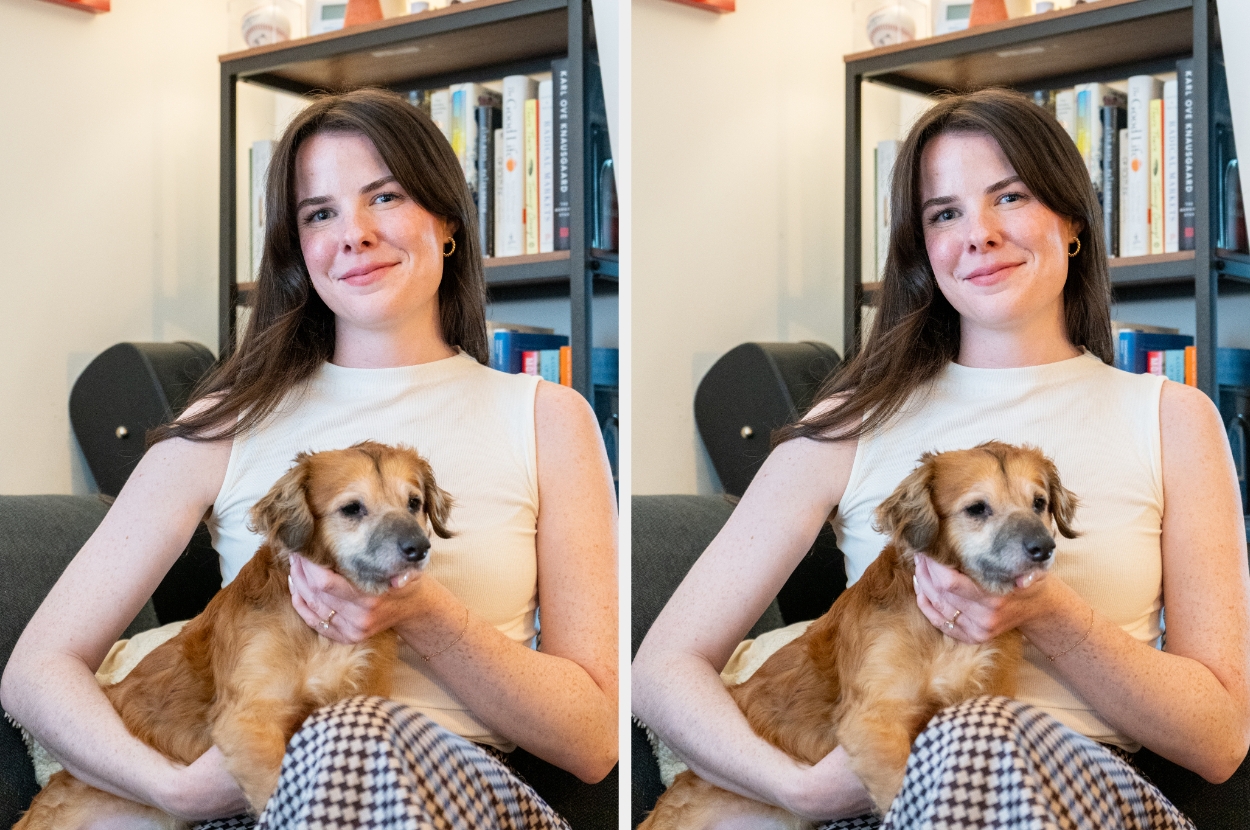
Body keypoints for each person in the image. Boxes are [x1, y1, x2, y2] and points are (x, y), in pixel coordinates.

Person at [632, 87, 1250, 828]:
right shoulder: (852, 422)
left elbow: (1220, 741)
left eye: (1010, 197)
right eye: (944, 214)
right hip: (885, 803)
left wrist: (1045, 611)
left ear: (1073, 222)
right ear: (922, 248)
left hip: (1084, 798)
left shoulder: (1173, 418)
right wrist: (799, 789)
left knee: (972, 730)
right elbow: (661, 672)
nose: (978, 234)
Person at [1, 88, 618, 828]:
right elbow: (36, 674)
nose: (353, 234)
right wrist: (175, 789)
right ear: (297, 248)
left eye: (384, 196)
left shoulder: (549, 418)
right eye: (319, 213)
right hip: (262, 802)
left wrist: (421, 611)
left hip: (460, 798)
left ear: (447, 218)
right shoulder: (227, 423)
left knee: (349, 729)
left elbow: (594, 743)